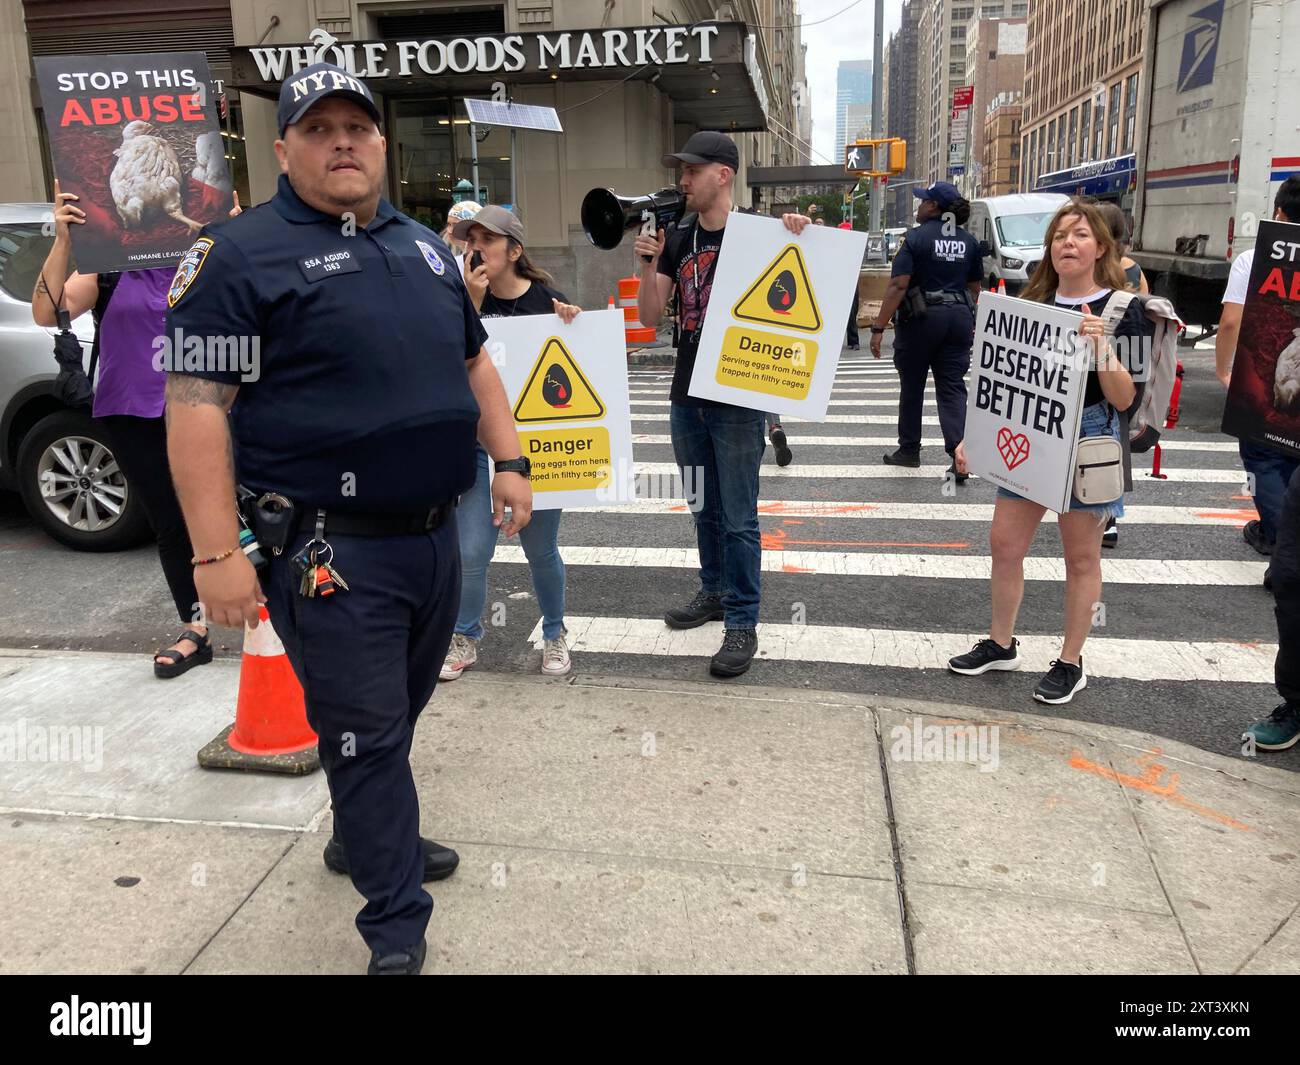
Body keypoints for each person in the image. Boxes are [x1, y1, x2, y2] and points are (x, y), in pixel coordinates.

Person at [163, 63, 533, 975]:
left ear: (380, 144)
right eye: (318, 128)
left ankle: (365, 836)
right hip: (330, 550)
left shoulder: (425, 247)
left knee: (389, 722)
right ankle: (397, 925)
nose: (342, 143)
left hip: (434, 537)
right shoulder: (238, 254)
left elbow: (474, 364)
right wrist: (215, 554)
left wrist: (513, 457)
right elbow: (195, 404)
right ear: (283, 147)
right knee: (365, 728)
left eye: (357, 129)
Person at [31, 181, 240, 679]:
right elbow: (48, 308)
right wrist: (64, 240)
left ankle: (271, 623)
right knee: (171, 523)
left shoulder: (211, 252)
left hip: (214, 407)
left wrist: (234, 231)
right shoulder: (111, 265)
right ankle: (196, 629)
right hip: (132, 410)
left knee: (247, 514)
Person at [948, 199, 1152, 705]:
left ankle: (1070, 661)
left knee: (1080, 557)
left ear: (1100, 246)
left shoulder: (1128, 310)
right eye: (1060, 235)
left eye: (1080, 234)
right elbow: (997, 378)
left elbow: (1129, 399)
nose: (1068, 243)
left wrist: (1102, 346)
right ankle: (1000, 642)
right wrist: (973, 436)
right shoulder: (1028, 304)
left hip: (1089, 435)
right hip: (1028, 431)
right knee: (1004, 544)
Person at [634, 130, 808, 677]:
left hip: (737, 395)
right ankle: (711, 592)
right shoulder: (679, 235)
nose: (683, 180)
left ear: (723, 174)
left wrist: (801, 234)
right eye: (681, 170)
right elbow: (646, 316)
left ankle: (742, 620)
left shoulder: (760, 233)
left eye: (692, 170)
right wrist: (647, 263)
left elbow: (806, 278)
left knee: (738, 517)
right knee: (701, 506)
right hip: (686, 393)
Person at [440, 205, 582, 681]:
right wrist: (470, 304)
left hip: (536, 448)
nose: (474, 247)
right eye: (469, 239)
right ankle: (465, 637)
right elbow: (446, 362)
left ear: (514, 250)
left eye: (486, 239)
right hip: (480, 446)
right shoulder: (455, 297)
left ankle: (555, 634)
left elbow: (581, 366)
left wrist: (572, 322)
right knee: (472, 551)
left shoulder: (547, 301)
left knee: (541, 550)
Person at [869, 181, 982, 482]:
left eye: (923, 201)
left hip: (922, 319)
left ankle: (909, 450)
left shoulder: (915, 239)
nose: (919, 206)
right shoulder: (968, 242)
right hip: (958, 318)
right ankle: (959, 455)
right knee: (952, 387)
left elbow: (898, 285)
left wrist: (879, 327)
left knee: (912, 385)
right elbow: (975, 289)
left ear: (934, 207)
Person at [1215, 175, 1300, 565]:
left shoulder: (1255, 260)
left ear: (1279, 212)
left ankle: (1283, 553)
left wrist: (1224, 372)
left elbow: (1231, 321)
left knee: (1265, 461)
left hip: (1270, 382)